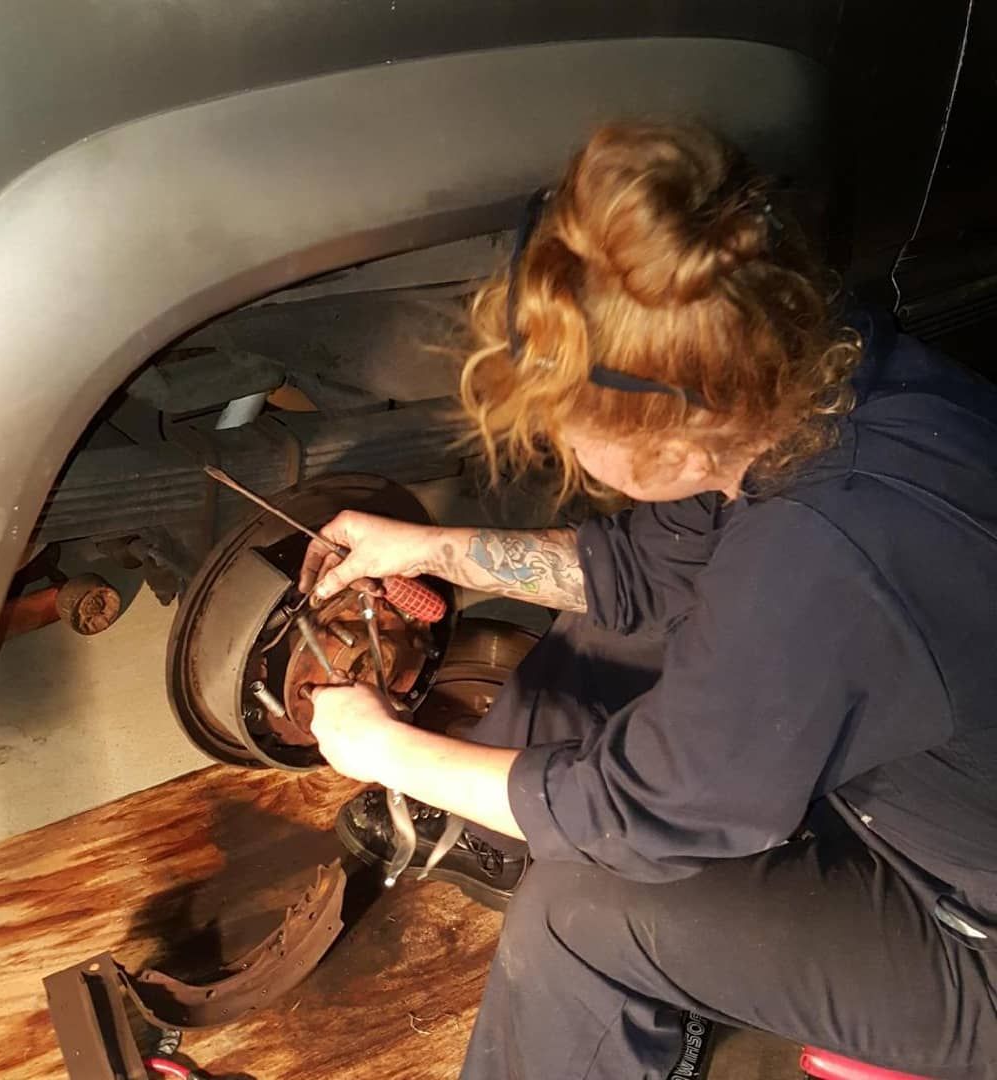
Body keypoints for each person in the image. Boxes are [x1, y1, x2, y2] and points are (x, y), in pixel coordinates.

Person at [301, 122, 997, 1079]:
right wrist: (438, 549)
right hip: (933, 778)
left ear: (672, 445)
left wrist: (387, 749)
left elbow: (646, 808)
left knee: (581, 920)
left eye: (567, 430)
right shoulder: (827, 373)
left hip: (975, 939)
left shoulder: (822, 560)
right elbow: (645, 572)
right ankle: (514, 834)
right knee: (602, 643)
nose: (562, 448)